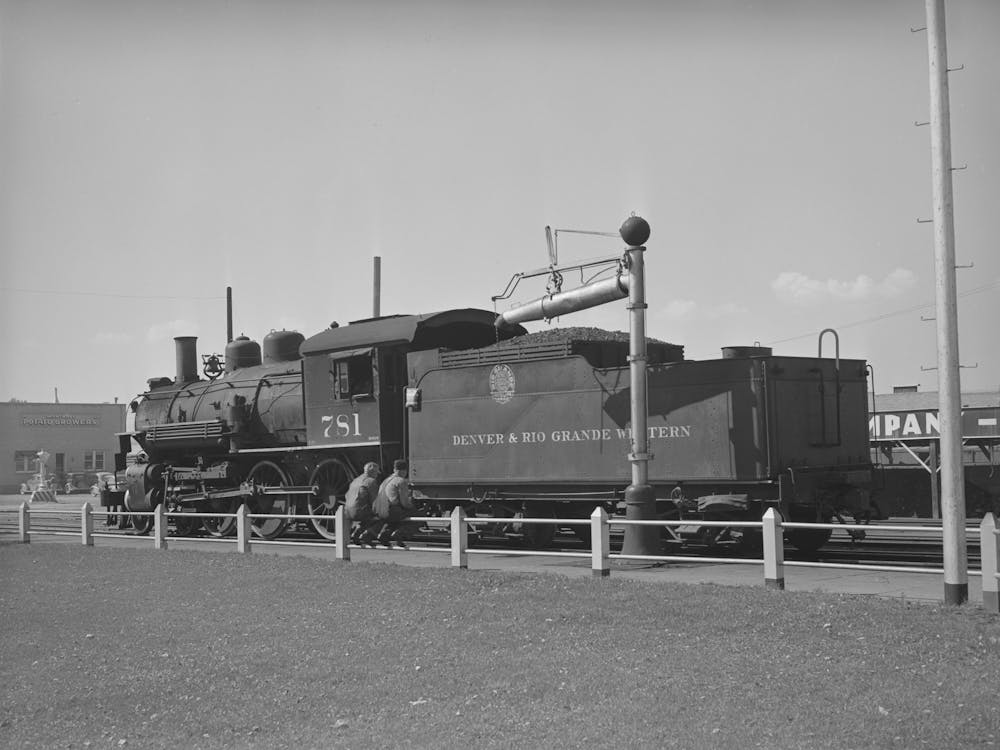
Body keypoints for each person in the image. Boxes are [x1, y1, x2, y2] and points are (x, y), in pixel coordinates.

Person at [365, 459, 415, 548]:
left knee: (394, 518)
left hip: (379, 509)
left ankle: (381, 535)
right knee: (417, 515)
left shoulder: (387, 479)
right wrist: (412, 506)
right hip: (390, 511)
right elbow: (404, 503)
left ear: (394, 469)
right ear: (404, 471)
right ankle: (399, 533)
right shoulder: (401, 481)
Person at [344, 462, 380, 544]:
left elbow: (346, 495)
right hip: (360, 511)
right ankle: (367, 534)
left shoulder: (355, 480)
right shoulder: (371, 481)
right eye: (377, 473)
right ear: (373, 472)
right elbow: (375, 500)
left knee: (367, 514)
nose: (377, 475)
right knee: (381, 517)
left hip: (348, 511)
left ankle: (357, 531)